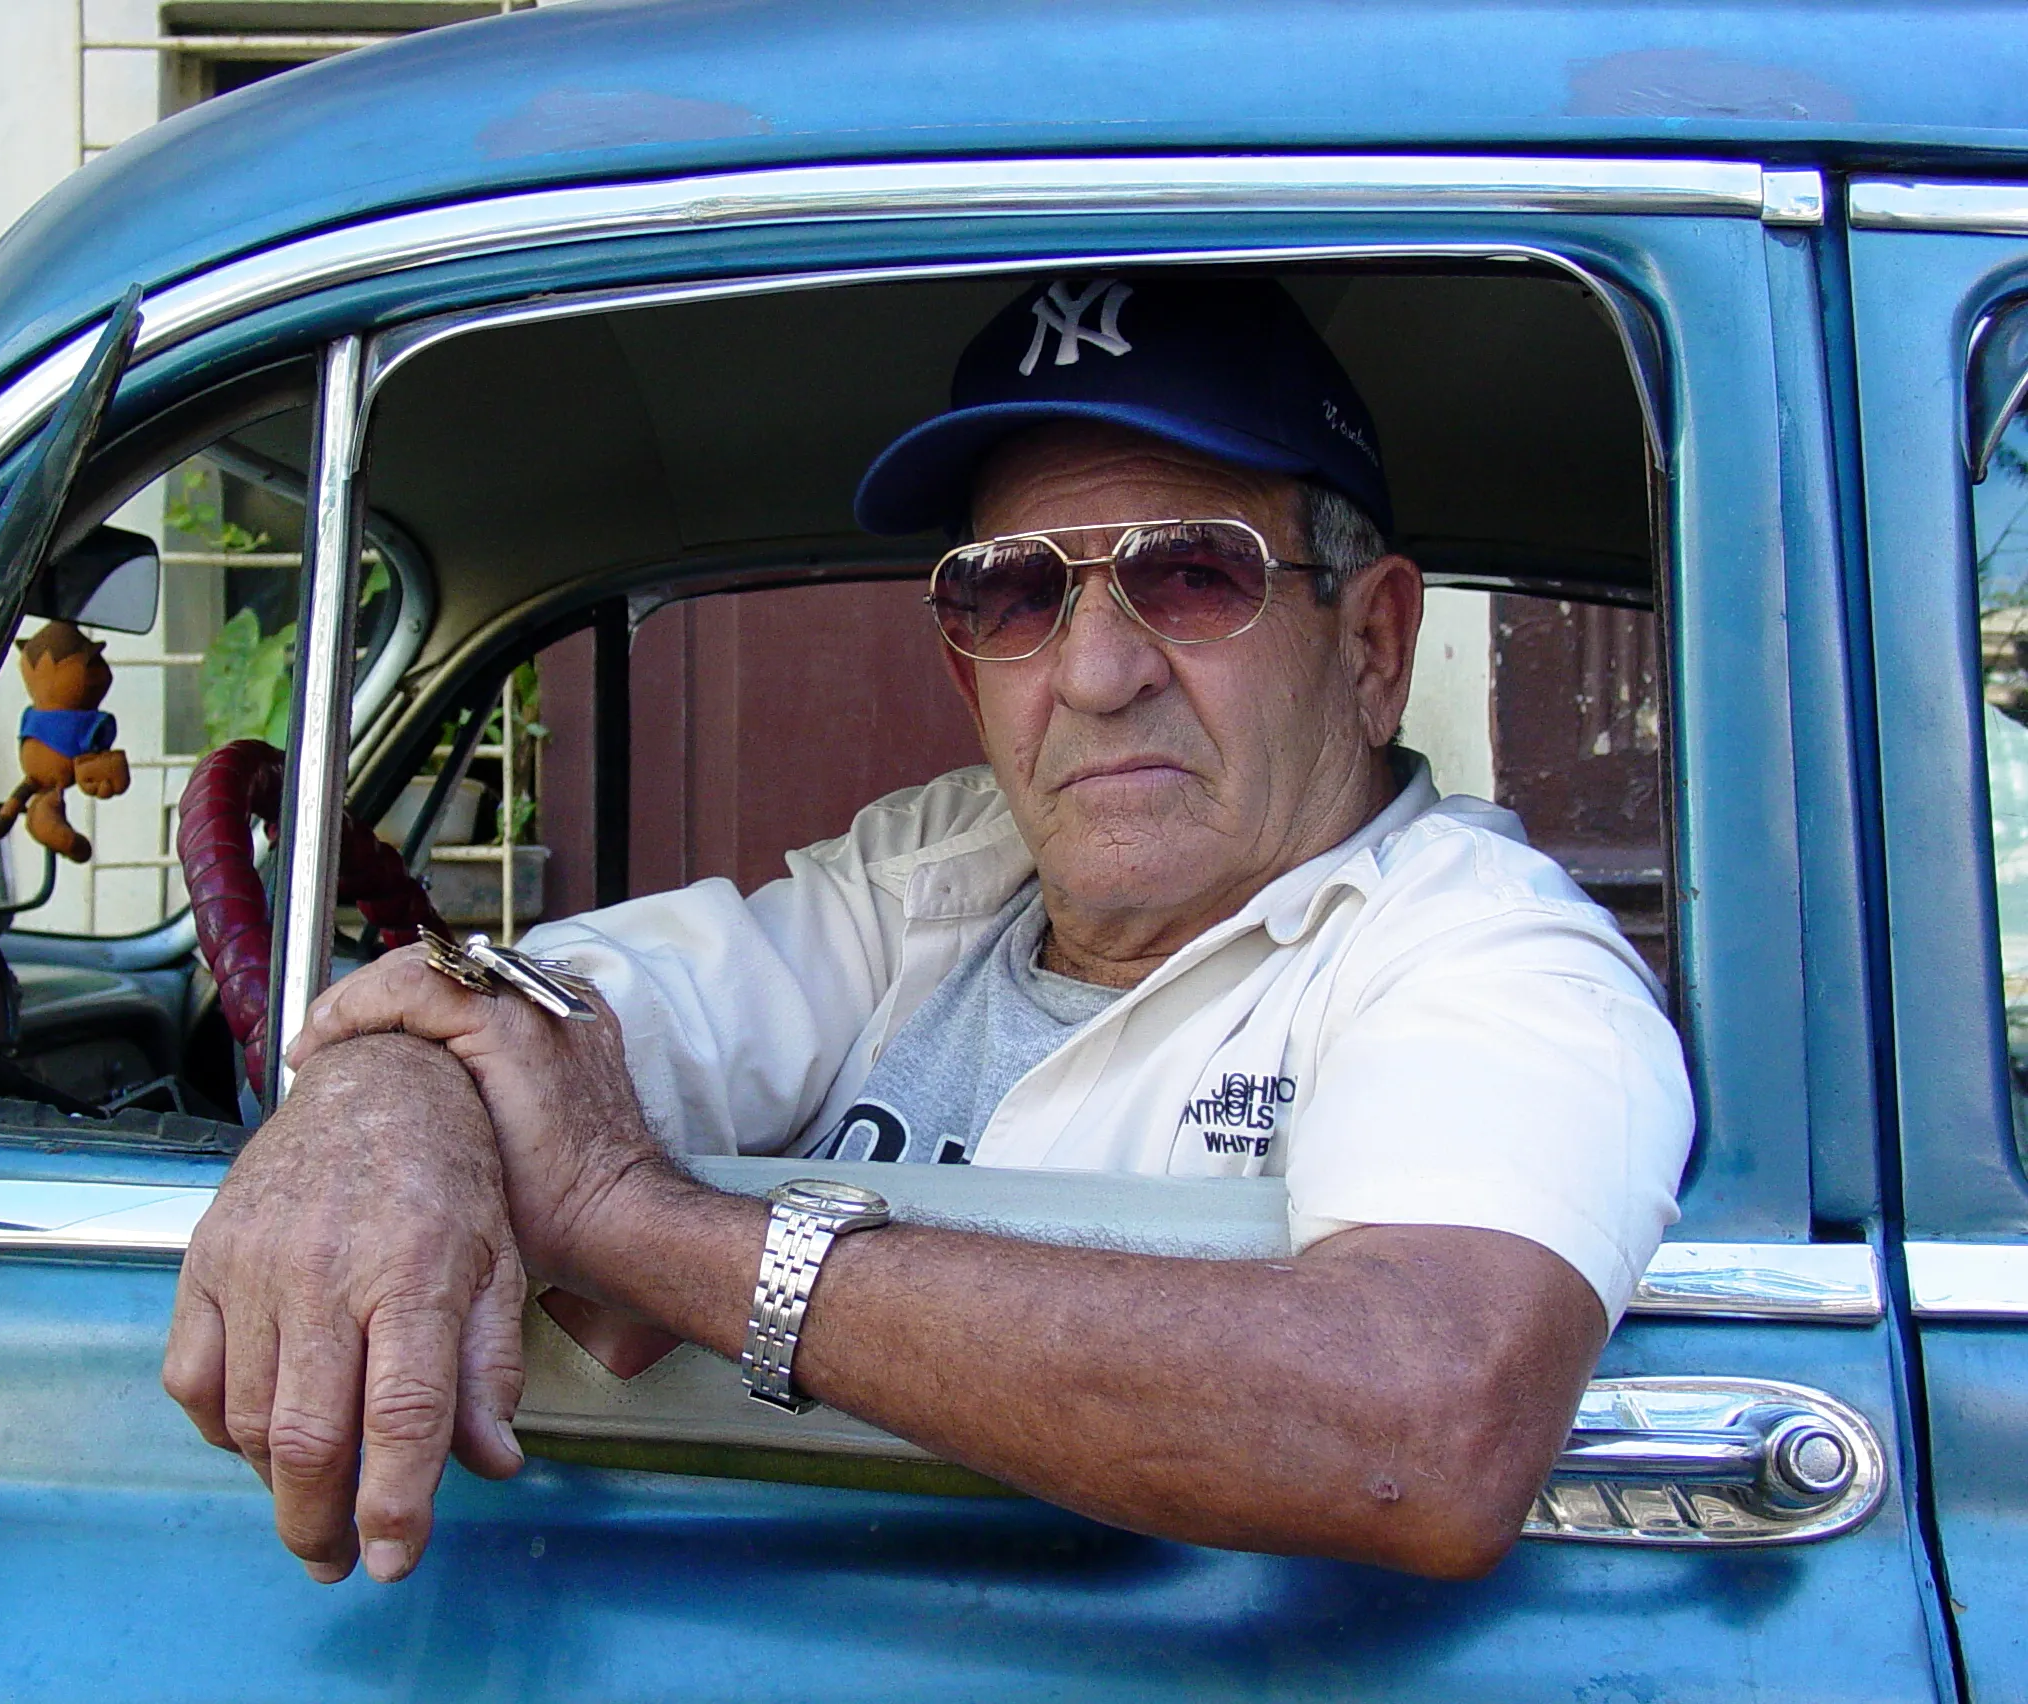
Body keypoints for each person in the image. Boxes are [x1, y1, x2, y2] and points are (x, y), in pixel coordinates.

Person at [163, 272, 1692, 1590]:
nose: (1095, 671)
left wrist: (648, 1230)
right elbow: (600, 1001)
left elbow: (1420, 1423)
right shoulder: (938, 869)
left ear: (1370, 644)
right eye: (1015, 595)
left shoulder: (1486, 956)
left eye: (1191, 571)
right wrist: (383, 1095)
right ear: (972, 676)